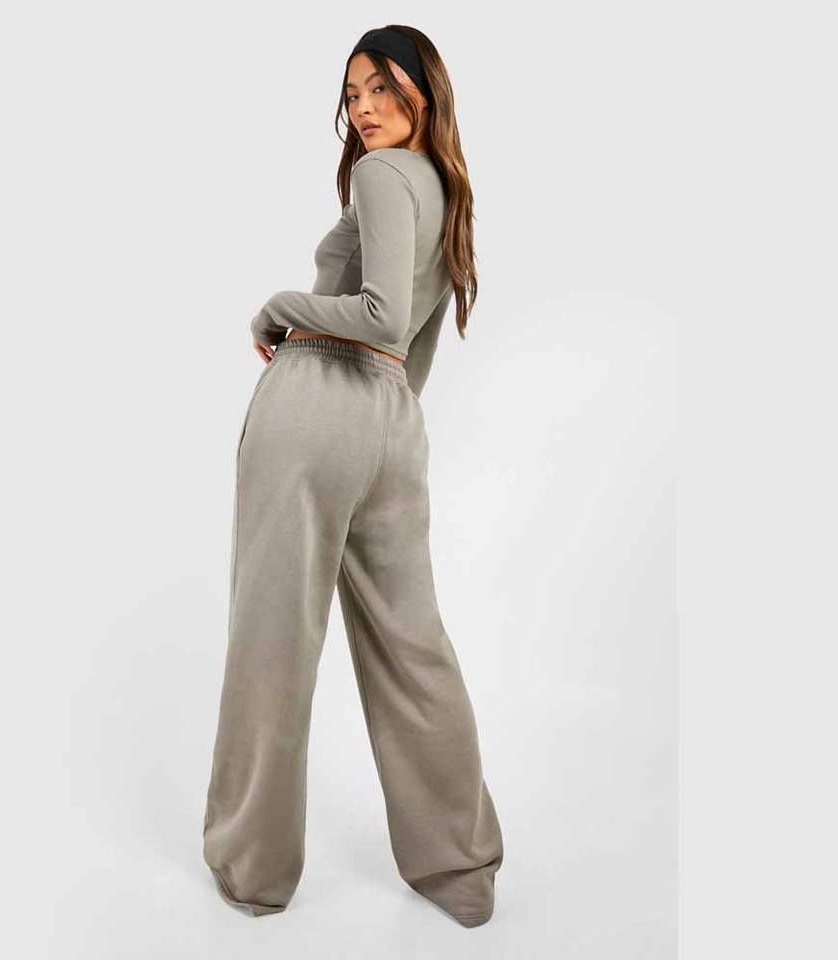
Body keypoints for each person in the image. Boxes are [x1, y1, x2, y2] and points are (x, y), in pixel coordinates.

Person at [202, 24, 504, 928]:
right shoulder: (449, 189)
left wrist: (277, 307)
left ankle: (254, 871)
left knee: (274, 638)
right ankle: (461, 868)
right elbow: (411, 346)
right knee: (412, 644)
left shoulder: (379, 176)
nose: (364, 109)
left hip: (317, 403)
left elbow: (378, 314)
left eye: (381, 88)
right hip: (391, 423)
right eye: (352, 94)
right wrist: (386, 427)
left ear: (423, 90)